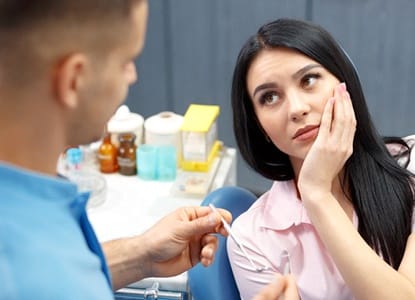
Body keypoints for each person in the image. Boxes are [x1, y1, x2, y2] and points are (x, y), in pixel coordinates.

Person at [0, 1, 295, 299]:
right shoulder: (23, 272)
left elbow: (60, 273)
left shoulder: (29, 222)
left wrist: (141, 256)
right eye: (125, 61)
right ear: (75, 80)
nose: (132, 76)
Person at [228, 18, 415, 300]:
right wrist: (317, 192)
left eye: (309, 80)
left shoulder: (411, 168)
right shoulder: (252, 239)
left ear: (344, 82)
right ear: (259, 126)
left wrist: (317, 193)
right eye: (269, 97)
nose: (297, 109)